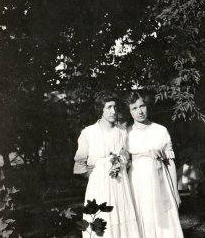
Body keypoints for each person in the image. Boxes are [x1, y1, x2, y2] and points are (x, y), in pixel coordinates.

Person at [73, 91, 140, 238]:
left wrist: (119, 163)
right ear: (100, 109)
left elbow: (127, 156)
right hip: (99, 184)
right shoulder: (88, 133)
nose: (113, 111)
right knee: (102, 217)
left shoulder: (121, 132)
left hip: (120, 183)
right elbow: (79, 162)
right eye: (108, 107)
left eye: (115, 107)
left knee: (121, 215)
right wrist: (92, 175)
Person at [126, 91, 184, 238]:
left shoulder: (160, 130)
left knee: (164, 222)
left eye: (142, 106)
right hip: (137, 185)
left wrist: (175, 191)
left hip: (160, 183)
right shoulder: (126, 134)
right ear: (129, 111)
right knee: (143, 219)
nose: (140, 111)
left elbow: (170, 163)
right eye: (134, 108)